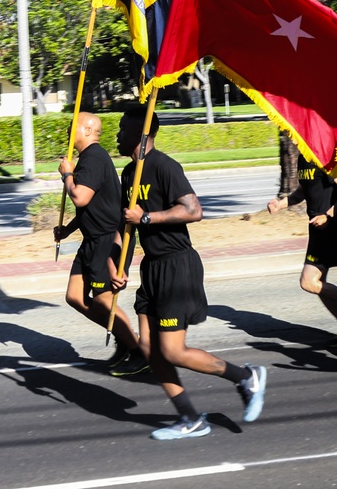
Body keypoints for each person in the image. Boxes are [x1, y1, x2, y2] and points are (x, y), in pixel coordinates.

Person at [111, 108, 266, 440]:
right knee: (150, 350)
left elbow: (194, 210)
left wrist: (148, 219)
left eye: (123, 128)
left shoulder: (165, 166)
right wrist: (120, 268)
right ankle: (190, 418)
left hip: (177, 265)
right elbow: (127, 227)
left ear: (141, 132)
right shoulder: (128, 174)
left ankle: (245, 376)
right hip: (151, 267)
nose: (117, 134)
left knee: (173, 351)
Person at [54, 113, 147, 375]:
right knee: (75, 296)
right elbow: (92, 207)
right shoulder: (89, 158)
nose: (68, 131)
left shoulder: (94, 157)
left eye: (72, 127)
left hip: (108, 241)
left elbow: (81, 197)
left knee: (107, 304)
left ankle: (139, 352)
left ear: (86, 129)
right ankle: (124, 339)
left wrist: (67, 175)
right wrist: (68, 229)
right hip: (91, 240)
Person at [267, 153, 337, 346]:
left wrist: (329, 215)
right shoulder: (304, 158)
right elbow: (304, 191)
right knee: (319, 283)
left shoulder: (324, 157)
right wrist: (280, 204)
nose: (292, 136)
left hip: (331, 227)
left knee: (309, 282)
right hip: (316, 228)